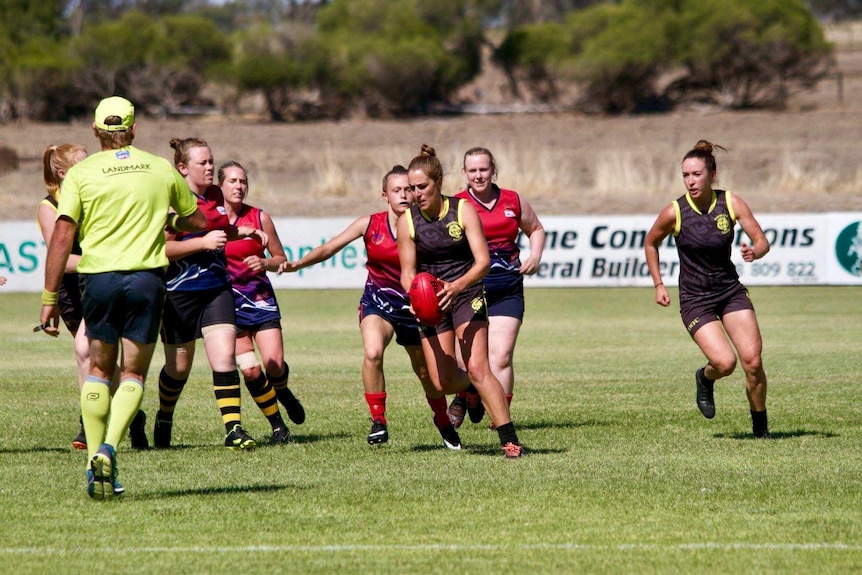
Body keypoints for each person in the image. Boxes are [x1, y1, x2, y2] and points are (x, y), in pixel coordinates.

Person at [38, 96, 205, 500]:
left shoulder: (82, 173)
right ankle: (111, 448)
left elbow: (62, 235)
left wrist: (49, 297)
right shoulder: (159, 167)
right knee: (132, 374)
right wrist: (167, 216)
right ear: (133, 129)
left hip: (97, 281)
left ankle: (95, 458)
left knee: (98, 369)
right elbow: (196, 219)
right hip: (146, 278)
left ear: (96, 130)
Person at [281, 165, 464, 448]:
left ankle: (442, 421)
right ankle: (378, 421)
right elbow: (330, 248)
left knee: (426, 373)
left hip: (416, 309)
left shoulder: (424, 225)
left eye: (408, 189)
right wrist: (298, 264)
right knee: (373, 351)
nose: (404, 194)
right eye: (396, 190)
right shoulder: (369, 224)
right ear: (385, 195)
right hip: (378, 302)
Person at [396, 145, 524, 458]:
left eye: (422, 187)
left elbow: (482, 262)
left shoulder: (462, 209)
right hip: (432, 302)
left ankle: (509, 439)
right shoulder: (407, 222)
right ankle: (469, 389)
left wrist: (457, 285)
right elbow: (408, 273)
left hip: (467, 293)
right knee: (441, 382)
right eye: (412, 189)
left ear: (438, 182)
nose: (416, 194)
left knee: (480, 367)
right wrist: (414, 295)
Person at [644, 139, 772, 439]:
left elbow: (762, 240)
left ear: (711, 174)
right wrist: (659, 284)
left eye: (696, 174)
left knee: (752, 362)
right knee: (725, 363)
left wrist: (756, 251)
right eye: (685, 175)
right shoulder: (674, 212)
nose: (690, 181)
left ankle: (761, 430)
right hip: (695, 300)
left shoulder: (731, 203)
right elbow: (651, 242)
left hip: (730, 292)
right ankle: (705, 377)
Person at [154, 137, 272, 451]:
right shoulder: (171, 201)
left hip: (217, 288)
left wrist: (241, 232)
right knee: (178, 370)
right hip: (179, 293)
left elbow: (219, 229)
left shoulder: (216, 194)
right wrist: (201, 244)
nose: (210, 168)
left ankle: (233, 429)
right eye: (202, 163)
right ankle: (164, 416)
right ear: (182, 168)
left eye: (211, 162)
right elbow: (162, 248)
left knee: (224, 359)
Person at [38, 143, 149, 451]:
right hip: (74, 290)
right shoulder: (49, 207)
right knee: (102, 360)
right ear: (63, 173)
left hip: (101, 282)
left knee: (86, 350)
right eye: (83, 164)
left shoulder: (97, 195)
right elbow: (59, 258)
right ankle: (133, 413)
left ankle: (88, 426)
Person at [447, 147, 545, 429]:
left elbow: (536, 228)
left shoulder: (512, 200)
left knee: (500, 356)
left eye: (484, 169)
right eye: (473, 170)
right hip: (468, 290)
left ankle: (500, 416)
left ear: (493, 171)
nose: (479, 175)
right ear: (465, 173)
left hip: (507, 288)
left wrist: (535, 256)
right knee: (465, 363)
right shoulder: (456, 204)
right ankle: (466, 394)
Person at [220, 160, 305, 444]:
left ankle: (282, 389)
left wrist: (264, 262)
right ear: (220, 185)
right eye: (232, 181)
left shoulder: (259, 217)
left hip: (259, 299)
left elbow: (281, 258)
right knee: (251, 370)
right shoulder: (209, 220)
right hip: (226, 303)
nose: (239, 186)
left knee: (274, 364)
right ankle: (278, 426)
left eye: (243, 181)